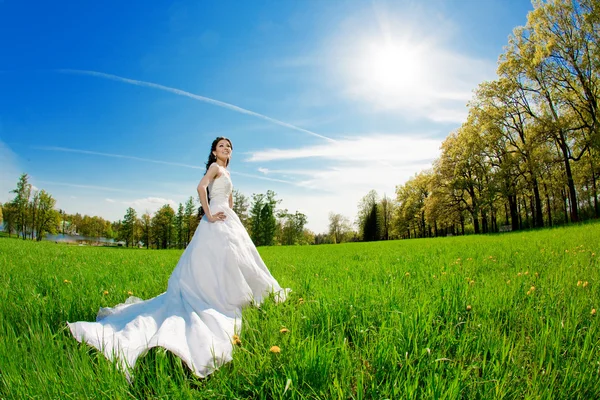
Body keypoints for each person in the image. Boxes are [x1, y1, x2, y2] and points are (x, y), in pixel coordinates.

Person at [67, 137, 289, 381]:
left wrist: (230, 212)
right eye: (222, 147)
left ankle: (233, 295)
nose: (226, 149)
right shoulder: (215, 168)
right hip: (215, 219)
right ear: (214, 152)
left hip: (228, 218)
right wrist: (210, 215)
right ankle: (216, 297)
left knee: (236, 260)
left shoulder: (226, 172)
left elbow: (229, 199)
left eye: (229, 147)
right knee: (214, 261)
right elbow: (200, 187)